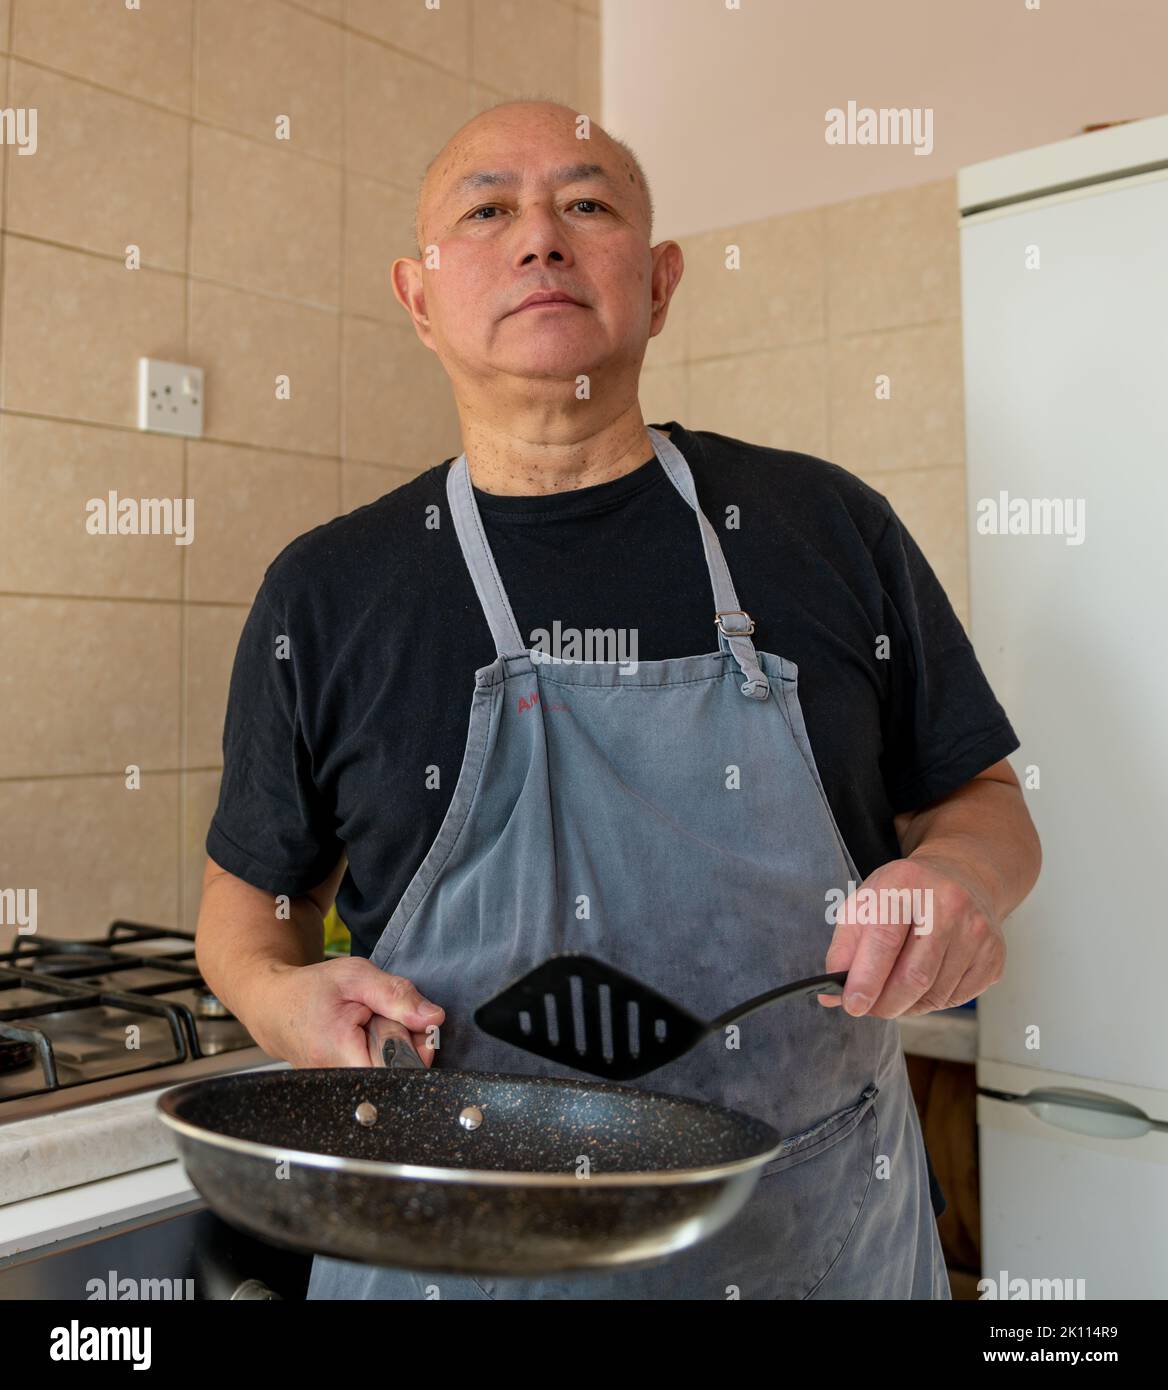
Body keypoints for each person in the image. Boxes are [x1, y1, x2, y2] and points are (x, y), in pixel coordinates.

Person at [195, 99, 1041, 1300]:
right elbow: (244, 920)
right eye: (486, 210)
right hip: (452, 1251)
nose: (540, 237)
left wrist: (958, 880)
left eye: (587, 204)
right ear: (416, 295)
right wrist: (287, 1003)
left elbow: (985, 803)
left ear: (659, 281)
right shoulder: (329, 592)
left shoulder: (824, 528)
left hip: (814, 1246)